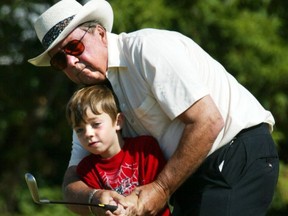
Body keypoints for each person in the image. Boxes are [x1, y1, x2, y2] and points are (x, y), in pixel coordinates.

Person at [28, 0, 279, 215]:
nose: (71, 61)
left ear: (101, 34)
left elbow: (208, 121)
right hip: (188, 178)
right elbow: (72, 181)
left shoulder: (147, 49)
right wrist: (95, 198)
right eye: (60, 59)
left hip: (234, 154)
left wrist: (160, 189)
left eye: (74, 46)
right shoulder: (92, 105)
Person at [65, 84, 171, 216]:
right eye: (80, 130)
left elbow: (157, 192)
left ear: (118, 121)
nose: (88, 133)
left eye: (96, 124)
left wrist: (130, 203)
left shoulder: (145, 149)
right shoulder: (86, 169)